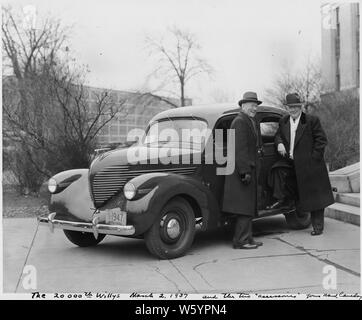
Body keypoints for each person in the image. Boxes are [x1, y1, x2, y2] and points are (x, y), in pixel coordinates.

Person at [272, 93, 334, 235]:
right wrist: (279, 143)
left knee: (315, 197)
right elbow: (278, 135)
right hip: (292, 163)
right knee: (277, 171)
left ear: (300, 107)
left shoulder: (311, 120)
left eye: (295, 107)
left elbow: (321, 141)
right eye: (290, 107)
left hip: (310, 165)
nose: (292, 110)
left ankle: (317, 227)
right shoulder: (284, 121)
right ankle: (284, 202)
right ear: (287, 108)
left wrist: (313, 160)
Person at [223, 91, 263, 249]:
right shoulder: (240, 121)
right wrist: (244, 171)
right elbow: (239, 149)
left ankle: (248, 238)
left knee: (248, 207)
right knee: (244, 208)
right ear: (243, 106)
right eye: (252, 105)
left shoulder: (247, 120)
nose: (254, 108)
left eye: (256, 106)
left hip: (246, 170)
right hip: (242, 172)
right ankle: (241, 241)